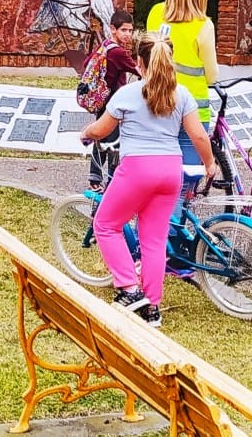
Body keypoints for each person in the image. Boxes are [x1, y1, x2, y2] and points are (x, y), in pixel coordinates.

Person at [81, 34, 217, 328]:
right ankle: (152, 308)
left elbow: (102, 129)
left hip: (137, 170)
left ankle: (129, 290)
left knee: (106, 225)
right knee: (154, 241)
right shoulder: (181, 95)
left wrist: (86, 133)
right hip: (170, 171)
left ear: (140, 63)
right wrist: (209, 163)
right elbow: (198, 135)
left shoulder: (128, 94)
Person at [145, 0, 220, 238]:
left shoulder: (155, 14)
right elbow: (211, 75)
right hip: (193, 111)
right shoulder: (203, 25)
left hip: (158, 106)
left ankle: (154, 235)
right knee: (185, 180)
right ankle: (173, 240)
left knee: (160, 176)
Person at [86, 9, 140, 190]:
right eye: (124, 30)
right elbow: (139, 71)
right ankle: (112, 179)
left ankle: (94, 177)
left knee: (101, 135)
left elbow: (87, 62)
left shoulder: (105, 46)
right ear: (113, 29)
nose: (128, 34)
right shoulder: (118, 52)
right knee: (114, 140)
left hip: (102, 99)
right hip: (114, 101)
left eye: (130, 31)